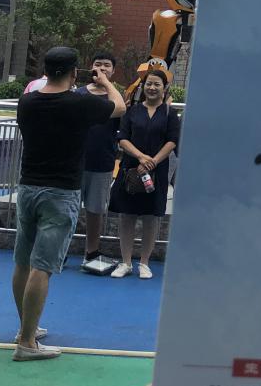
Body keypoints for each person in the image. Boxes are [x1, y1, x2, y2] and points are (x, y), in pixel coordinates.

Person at [12, 46, 125, 361]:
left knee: (23, 261)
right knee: (42, 266)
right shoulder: (79, 103)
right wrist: (105, 81)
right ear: (75, 72)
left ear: (46, 70)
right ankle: (27, 343)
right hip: (61, 192)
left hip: (28, 186)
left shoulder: (27, 102)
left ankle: (25, 329)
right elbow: (119, 106)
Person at [109, 70, 179, 280]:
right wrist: (140, 157)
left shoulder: (170, 113)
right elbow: (122, 138)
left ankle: (145, 263)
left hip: (157, 170)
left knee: (151, 217)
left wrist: (153, 161)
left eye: (157, 84)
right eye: (149, 83)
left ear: (164, 88)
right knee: (126, 216)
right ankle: (125, 262)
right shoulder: (132, 111)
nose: (152, 88)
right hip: (131, 169)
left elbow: (172, 141)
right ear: (143, 86)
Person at [76, 51, 120, 272]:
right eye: (98, 64)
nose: (102, 69)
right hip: (76, 162)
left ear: (113, 71)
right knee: (68, 209)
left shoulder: (116, 97)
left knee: (95, 210)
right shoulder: (79, 94)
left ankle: (91, 252)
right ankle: (60, 251)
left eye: (106, 65)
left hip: (102, 162)